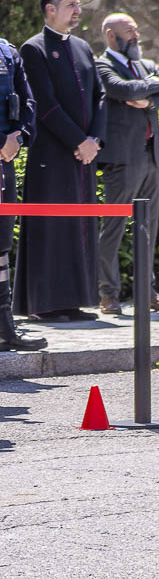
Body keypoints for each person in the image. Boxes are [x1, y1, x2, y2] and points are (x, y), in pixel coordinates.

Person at [17, 0, 106, 323]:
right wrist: (77, 141)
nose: (78, 10)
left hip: (85, 155)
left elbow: (99, 96)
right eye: (71, 4)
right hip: (52, 155)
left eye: (77, 4)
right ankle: (45, 303)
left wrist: (94, 139)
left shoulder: (82, 47)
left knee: (78, 227)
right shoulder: (33, 49)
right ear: (50, 9)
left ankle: (74, 300)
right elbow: (44, 103)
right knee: (51, 228)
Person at [93, 13, 159, 316]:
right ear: (111, 35)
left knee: (148, 227)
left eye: (135, 29)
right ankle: (108, 293)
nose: (136, 35)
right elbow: (121, 89)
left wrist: (150, 101)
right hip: (122, 158)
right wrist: (154, 84)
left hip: (151, 155)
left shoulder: (145, 65)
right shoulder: (102, 65)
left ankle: (147, 291)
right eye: (129, 30)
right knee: (114, 227)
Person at [0, 28, 38, 351]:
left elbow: (27, 100)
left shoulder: (8, 52)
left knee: (1, 247)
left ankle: (4, 329)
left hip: (4, 162)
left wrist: (19, 136)